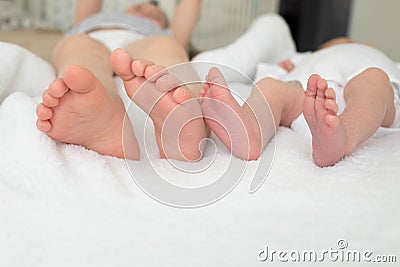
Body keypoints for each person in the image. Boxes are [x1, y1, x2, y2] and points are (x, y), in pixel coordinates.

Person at [35, 0, 208, 161]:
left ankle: (187, 112)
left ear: (165, 25)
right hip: (90, 37)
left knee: (167, 49)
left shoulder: (162, 34)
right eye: (139, 8)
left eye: (156, 17)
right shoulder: (89, 22)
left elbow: (190, 6)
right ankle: (98, 116)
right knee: (78, 52)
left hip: (142, 40)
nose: (146, 13)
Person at [199, 42, 400, 167]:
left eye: (346, 41)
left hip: (367, 106)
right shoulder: (301, 59)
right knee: (270, 87)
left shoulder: (376, 58)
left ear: (366, 45)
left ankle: (346, 134)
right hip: (308, 101)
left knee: (375, 81)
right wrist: (284, 69)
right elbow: (272, 76)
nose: (342, 43)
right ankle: (251, 130)